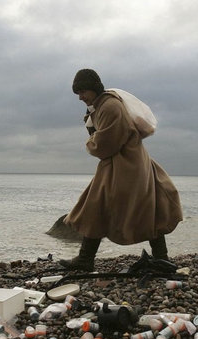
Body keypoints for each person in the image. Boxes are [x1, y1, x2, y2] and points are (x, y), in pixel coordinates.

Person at [59, 69, 183, 271]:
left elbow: (105, 145)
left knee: (98, 207)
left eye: (83, 92)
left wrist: (90, 143)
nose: (81, 97)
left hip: (124, 166)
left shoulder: (109, 106)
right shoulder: (103, 105)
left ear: (93, 87)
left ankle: (85, 260)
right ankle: (161, 257)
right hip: (128, 162)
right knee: (147, 207)